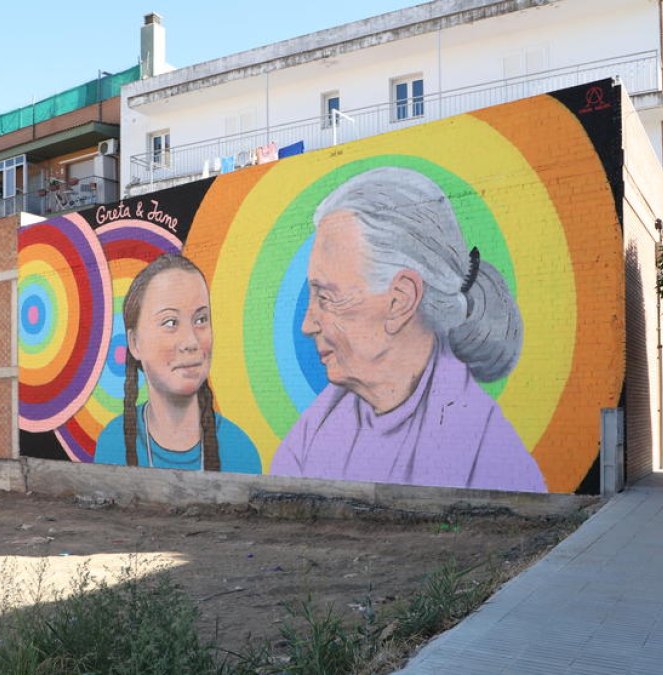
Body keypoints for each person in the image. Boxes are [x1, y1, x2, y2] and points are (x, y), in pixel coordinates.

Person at [270, 167, 546, 492]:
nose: (307, 324)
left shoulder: (489, 458)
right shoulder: (317, 428)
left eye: (326, 297)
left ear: (400, 300)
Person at [95, 254, 262, 473]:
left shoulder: (239, 449)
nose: (191, 342)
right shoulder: (112, 443)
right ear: (134, 343)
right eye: (170, 322)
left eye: (201, 319)